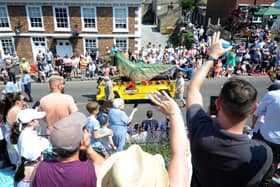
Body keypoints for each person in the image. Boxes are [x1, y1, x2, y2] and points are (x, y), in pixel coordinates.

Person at [186, 32, 273, 187]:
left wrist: (211, 57)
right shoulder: (263, 153)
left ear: (218, 104)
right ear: (254, 109)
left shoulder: (201, 131)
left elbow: (193, 89)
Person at [97, 91, 190, 187]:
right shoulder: (121, 114)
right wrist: (134, 111)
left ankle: (118, 164)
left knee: (115, 148)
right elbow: (128, 121)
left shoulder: (112, 111)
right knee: (120, 147)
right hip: (120, 131)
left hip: (113, 130)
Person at [32, 112, 104, 187]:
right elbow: (107, 169)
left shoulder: (38, 169)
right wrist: (89, 149)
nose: (88, 134)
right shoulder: (92, 171)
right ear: (81, 143)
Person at [13, 109, 49, 187]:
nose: (39, 120)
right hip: (29, 176)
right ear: (30, 122)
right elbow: (32, 155)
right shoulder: (29, 136)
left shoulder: (25, 133)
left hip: (23, 173)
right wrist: (44, 143)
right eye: (37, 119)